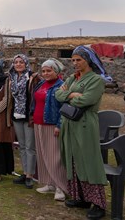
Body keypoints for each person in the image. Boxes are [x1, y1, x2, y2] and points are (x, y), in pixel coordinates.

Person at [55, 46, 108, 219]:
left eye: (79, 59)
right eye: (73, 60)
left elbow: (87, 100)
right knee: (73, 160)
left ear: (88, 60)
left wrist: (68, 95)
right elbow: (57, 95)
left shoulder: (96, 80)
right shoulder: (72, 78)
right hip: (69, 124)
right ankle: (82, 198)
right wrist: (72, 95)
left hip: (85, 125)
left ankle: (98, 204)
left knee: (88, 161)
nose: (75, 63)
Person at [30, 58, 67, 202]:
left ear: (56, 71)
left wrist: (59, 124)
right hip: (38, 123)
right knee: (43, 155)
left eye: (49, 71)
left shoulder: (61, 86)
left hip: (51, 124)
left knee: (55, 157)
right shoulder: (41, 84)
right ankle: (49, 183)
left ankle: (60, 187)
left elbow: (64, 108)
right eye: (43, 71)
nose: (45, 73)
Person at [9, 54, 40, 188]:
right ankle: (25, 171)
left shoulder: (32, 77)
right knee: (21, 146)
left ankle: (30, 175)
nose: (18, 64)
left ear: (26, 63)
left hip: (28, 115)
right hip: (16, 115)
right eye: (16, 62)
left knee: (29, 146)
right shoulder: (11, 77)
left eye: (21, 62)